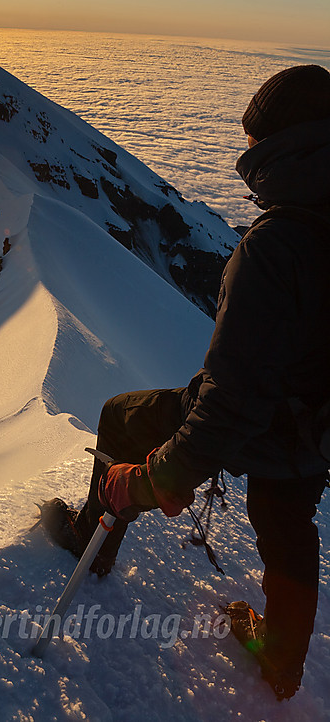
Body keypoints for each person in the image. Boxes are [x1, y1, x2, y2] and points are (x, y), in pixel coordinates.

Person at [42, 64, 330, 701]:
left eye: (256, 138)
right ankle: (281, 660)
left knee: (123, 414)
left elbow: (229, 406)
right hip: (317, 429)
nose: (246, 150)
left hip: (272, 422)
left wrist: (150, 481)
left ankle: (92, 540)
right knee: (287, 515)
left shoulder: (275, 247)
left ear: (286, 145)